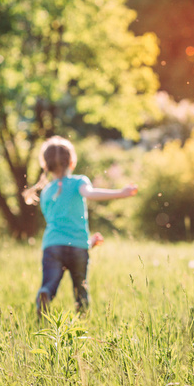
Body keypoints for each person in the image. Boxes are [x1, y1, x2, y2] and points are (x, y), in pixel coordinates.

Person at [23, 136, 138, 319]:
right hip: (77, 247)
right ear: (71, 161)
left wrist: (89, 243)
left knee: (50, 282)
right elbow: (90, 194)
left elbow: (58, 224)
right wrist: (121, 193)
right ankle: (82, 322)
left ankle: (45, 293)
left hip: (52, 246)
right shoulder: (79, 182)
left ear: (46, 165)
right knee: (80, 288)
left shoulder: (46, 192)